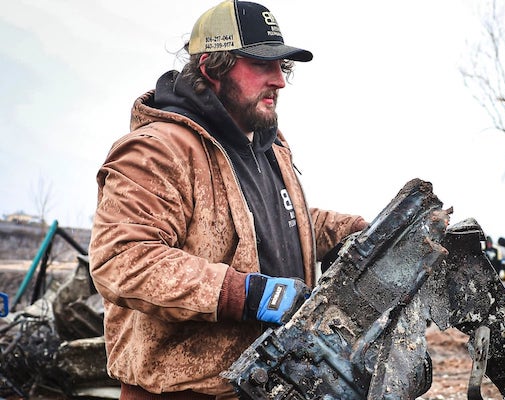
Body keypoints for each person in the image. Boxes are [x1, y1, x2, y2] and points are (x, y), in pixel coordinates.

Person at [88, 1, 368, 398]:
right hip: (184, 394)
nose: (279, 81)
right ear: (211, 68)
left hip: (268, 386)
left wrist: (355, 233)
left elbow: (277, 222)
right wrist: (248, 294)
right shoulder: (157, 151)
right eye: (262, 65)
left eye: (282, 67)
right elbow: (123, 259)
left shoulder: (265, 144)